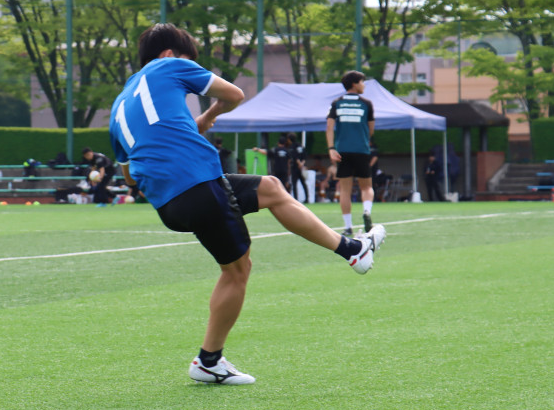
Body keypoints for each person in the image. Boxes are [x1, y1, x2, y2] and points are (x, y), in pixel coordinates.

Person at [108, 23, 385, 385]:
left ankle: (352, 250)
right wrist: (209, 116)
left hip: (169, 204)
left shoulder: (118, 106)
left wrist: (186, 132)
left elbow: (129, 178)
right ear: (169, 54)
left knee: (270, 188)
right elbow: (234, 94)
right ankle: (209, 361)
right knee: (237, 271)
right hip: (198, 183)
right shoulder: (169, 66)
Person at [326, 70, 376, 235]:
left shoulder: (336, 103)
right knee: (366, 187)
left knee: (345, 190)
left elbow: (329, 127)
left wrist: (331, 148)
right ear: (354, 84)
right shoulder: (366, 104)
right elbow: (371, 129)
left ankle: (348, 227)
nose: (364, 85)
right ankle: (367, 211)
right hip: (361, 149)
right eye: (362, 82)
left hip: (342, 151)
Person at [287, 132, 307, 202]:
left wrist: (299, 163)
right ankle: (307, 198)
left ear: (289, 139)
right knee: (303, 183)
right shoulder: (300, 145)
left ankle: (296, 199)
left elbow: (295, 156)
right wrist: (302, 164)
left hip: (295, 167)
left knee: (294, 183)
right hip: (301, 167)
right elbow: (304, 155)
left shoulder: (292, 147)